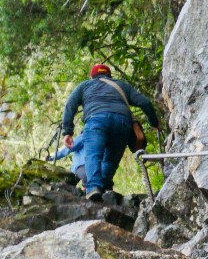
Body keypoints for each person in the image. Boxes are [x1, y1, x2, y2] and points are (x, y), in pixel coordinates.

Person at [61, 62, 163, 204]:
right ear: (110, 76)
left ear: (91, 76)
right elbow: (144, 102)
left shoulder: (84, 86)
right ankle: (104, 187)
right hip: (122, 123)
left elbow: (70, 105)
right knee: (109, 160)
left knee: (93, 155)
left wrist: (67, 131)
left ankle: (94, 188)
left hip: (96, 121)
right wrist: (154, 122)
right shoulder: (121, 85)